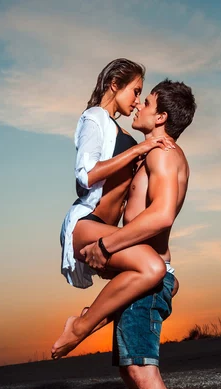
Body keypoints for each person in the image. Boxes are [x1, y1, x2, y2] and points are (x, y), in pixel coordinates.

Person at [66, 79, 197, 389]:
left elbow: (161, 217)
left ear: (160, 118)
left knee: (142, 370)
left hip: (151, 279)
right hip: (142, 277)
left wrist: (105, 246)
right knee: (132, 370)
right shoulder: (150, 154)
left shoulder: (165, 157)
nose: (138, 104)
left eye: (148, 101)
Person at [52, 59, 176, 360]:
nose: (136, 102)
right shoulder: (94, 118)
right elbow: (86, 175)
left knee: (163, 279)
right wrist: (138, 149)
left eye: (140, 96)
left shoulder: (121, 132)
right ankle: (80, 328)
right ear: (115, 84)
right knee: (152, 268)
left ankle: (86, 322)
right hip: (86, 224)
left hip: (108, 231)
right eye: (135, 92)